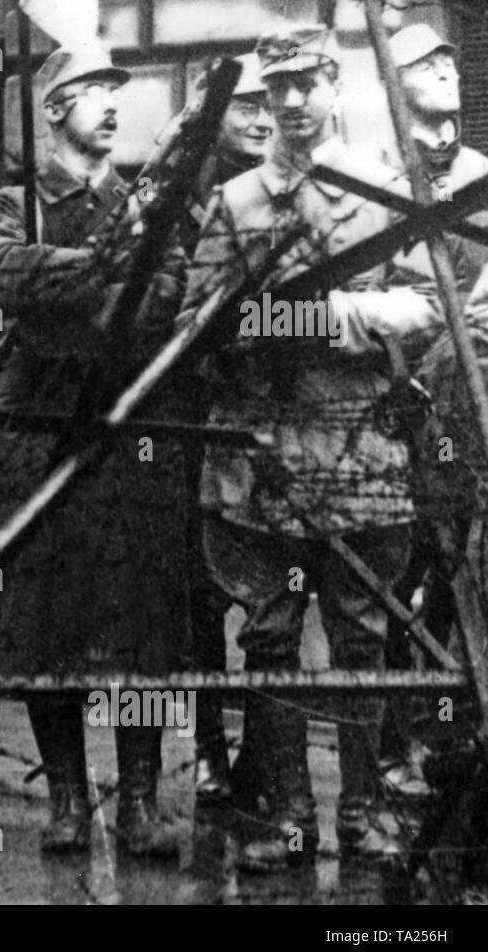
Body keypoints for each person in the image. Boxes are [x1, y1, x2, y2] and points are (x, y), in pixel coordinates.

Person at [180, 25, 445, 872]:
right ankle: (287, 812)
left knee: (363, 635)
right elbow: (192, 330)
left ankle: (364, 810)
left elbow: (426, 308)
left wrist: (334, 321)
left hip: (359, 445)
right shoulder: (235, 203)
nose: (292, 103)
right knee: (268, 633)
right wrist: (246, 329)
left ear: (335, 86)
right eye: (277, 87)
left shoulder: (380, 188)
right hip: (258, 453)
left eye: (308, 84)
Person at [0, 37, 189, 858]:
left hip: (129, 429)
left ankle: (141, 801)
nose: (112, 104)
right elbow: (9, 273)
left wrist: (100, 304)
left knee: (143, 631)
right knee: (51, 626)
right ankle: (70, 800)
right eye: (92, 91)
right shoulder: (16, 203)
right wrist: (105, 267)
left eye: (118, 90)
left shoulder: (148, 200)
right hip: (42, 438)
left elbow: (171, 282)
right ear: (53, 112)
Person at [380, 23, 488, 798]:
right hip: (409, 405)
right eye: (427, 63)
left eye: (450, 59)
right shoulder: (382, 176)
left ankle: (459, 738)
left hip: (480, 395)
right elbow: (378, 297)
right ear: (396, 80)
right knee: (403, 576)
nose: (448, 70)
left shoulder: (485, 173)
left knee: (471, 573)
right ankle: (390, 743)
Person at [183, 53, 276, 804]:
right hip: (184, 415)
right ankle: (211, 747)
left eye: (267, 103)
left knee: (270, 602)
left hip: (267, 414)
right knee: (199, 599)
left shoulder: (287, 191)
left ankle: (262, 756)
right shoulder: (184, 200)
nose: (261, 116)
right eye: (245, 105)